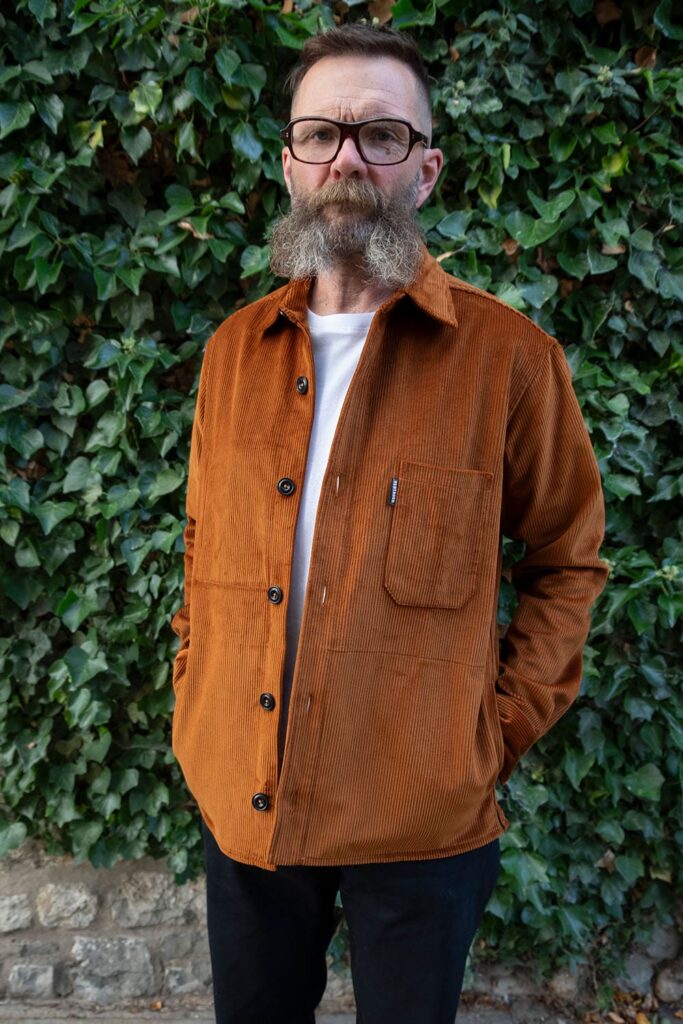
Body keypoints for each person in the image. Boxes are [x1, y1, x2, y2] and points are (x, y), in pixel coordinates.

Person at [170, 23, 610, 1024]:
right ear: (289, 161)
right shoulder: (232, 352)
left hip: (422, 815)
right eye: (320, 133)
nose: (346, 160)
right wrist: (194, 683)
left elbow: (567, 559)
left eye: (380, 135)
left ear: (425, 168)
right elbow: (203, 541)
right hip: (243, 794)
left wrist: (490, 734)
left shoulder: (508, 358)